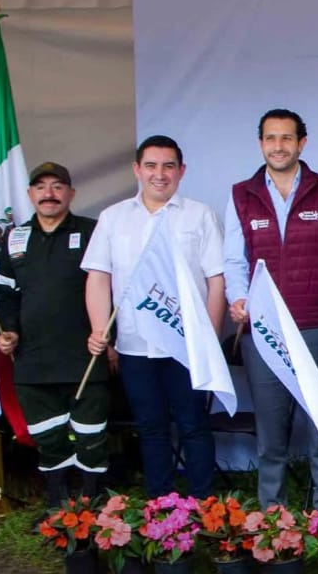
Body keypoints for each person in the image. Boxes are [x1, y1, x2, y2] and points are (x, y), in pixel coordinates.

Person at [222, 109, 318, 510]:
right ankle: (272, 518)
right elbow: (234, 260)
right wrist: (238, 298)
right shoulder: (241, 194)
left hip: (316, 325)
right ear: (260, 143)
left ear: (302, 143)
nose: (278, 146)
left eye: (286, 138)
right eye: (270, 138)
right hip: (263, 330)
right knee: (271, 433)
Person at [84, 136, 226, 497]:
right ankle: (160, 507)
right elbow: (99, 276)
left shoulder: (200, 215)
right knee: (151, 427)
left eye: (168, 166)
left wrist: (208, 339)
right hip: (135, 344)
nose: (159, 174)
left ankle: (204, 505)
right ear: (137, 169)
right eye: (151, 166)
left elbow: (216, 280)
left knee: (194, 425)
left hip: (187, 345)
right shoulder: (113, 218)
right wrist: (100, 330)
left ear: (182, 171)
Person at [0, 162, 106, 507]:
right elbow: (6, 294)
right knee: (48, 436)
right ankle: (58, 507)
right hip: (33, 360)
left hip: (85, 356)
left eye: (57, 186)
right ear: (30, 195)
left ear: (71, 193)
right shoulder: (14, 238)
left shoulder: (93, 232)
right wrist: (9, 331)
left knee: (90, 436)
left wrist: (107, 337)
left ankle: (94, 505)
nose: (49, 194)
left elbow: (111, 288)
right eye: (41, 187)